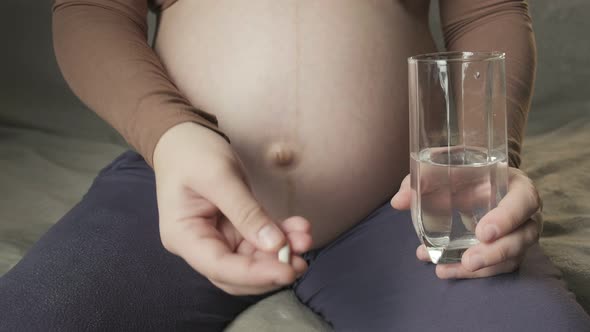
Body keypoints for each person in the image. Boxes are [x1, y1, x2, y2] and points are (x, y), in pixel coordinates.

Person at [1, 0, 589, 330]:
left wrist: (482, 162)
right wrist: (169, 135)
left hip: (405, 208)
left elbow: (486, 13)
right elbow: (91, 10)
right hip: (177, 197)